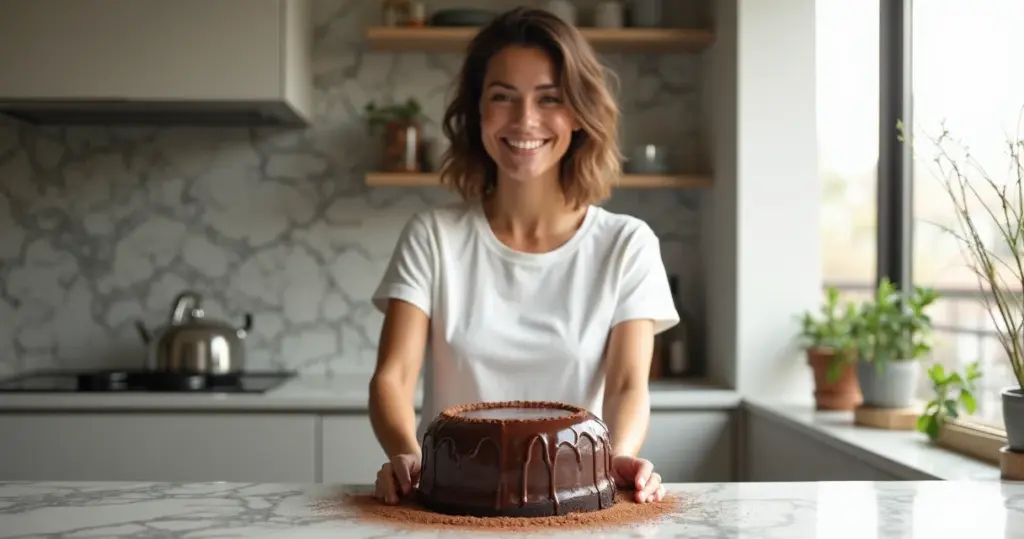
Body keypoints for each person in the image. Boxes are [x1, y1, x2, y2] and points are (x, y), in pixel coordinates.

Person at [368, 7, 680, 507]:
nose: (525, 121)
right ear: (478, 113)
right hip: (453, 503)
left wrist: (616, 458)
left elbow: (626, 386)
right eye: (502, 97)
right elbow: (393, 378)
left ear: (578, 113)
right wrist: (407, 456)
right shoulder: (433, 236)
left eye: (550, 98)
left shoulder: (627, 244)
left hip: (576, 502)